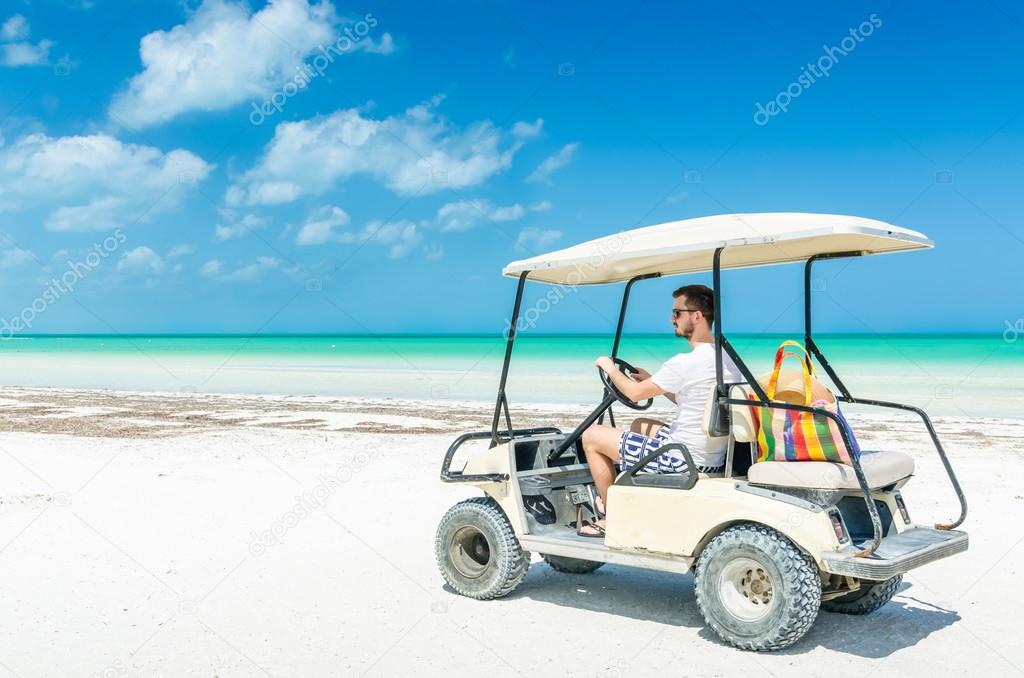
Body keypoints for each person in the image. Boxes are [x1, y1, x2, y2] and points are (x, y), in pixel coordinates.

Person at [578, 284, 740, 537]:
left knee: (592, 436)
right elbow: (696, 399)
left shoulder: (685, 363)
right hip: (710, 455)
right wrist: (655, 381)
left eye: (677, 313)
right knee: (641, 425)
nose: (671, 318)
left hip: (683, 459)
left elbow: (632, 393)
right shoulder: (725, 358)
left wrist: (609, 368)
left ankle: (611, 515)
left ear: (697, 316)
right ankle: (629, 492)